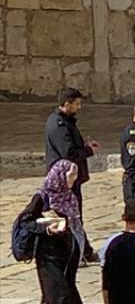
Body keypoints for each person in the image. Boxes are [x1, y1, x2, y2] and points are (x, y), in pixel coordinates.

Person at [16, 160, 90, 304]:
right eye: (71, 175)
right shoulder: (42, 198)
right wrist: (47, 229)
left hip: (67, 256)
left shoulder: (69, 197)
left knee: (60, 292)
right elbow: (25, 221)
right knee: (57, 291)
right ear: (60, 176)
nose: (74, 178)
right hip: (49, 256)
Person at [45, 87, 101, 262]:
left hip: (71, 179)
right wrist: (88, 151)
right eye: (76, 104)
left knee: (74, 216)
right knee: (70, 217)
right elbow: (68, 153)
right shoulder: (58, 124)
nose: (79, 107)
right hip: (64, 181)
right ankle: (78, 252)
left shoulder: (66, 122)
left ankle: (83, 251)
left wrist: (85, 146)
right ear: (67, 104)